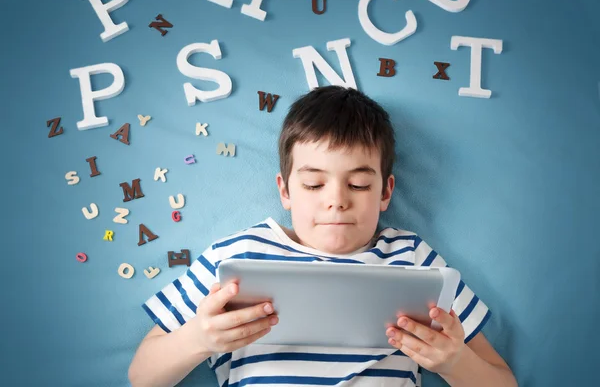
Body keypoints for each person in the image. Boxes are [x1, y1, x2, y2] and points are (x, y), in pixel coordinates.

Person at [128, 86, 517, 387]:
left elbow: (501, 380)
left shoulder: (413, 258)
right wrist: (200, 338)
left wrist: (453, 363)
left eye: (359, 185)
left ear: (386, 192)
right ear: (285, 191)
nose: (336, 202)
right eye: (314, 184)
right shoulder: (238, 256)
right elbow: (141, 375)